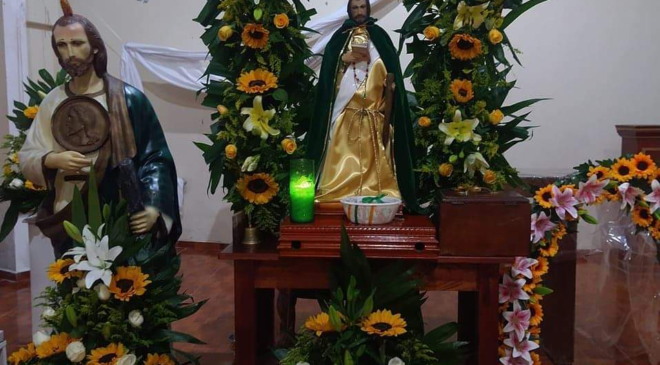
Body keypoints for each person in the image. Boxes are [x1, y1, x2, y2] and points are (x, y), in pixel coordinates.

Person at [19, 0, 181, 257]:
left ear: (94, 47)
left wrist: (154, 205)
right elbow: (28, 155)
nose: (69, 52)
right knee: (76, 287)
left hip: (120, 206)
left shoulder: (128, 99)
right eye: (62, 45)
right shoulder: (53, 101)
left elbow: (156, 158)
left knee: (127, 288)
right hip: (71, 210)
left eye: (77, 43)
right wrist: (52, 159)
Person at [305, 0, 423, 212]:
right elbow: (329, 77)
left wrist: (391, 87)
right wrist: (343, 58)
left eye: (362, 7)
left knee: (376, 163)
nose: (359, 12)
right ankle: (339, 192)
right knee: (341, 156)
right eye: (355, 8)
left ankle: (376, 193)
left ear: (368, 9)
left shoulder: (380, 37)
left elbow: (390, 68)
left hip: (374, 116)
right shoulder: (339, 39)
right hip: (346, 114)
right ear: (349, 11)